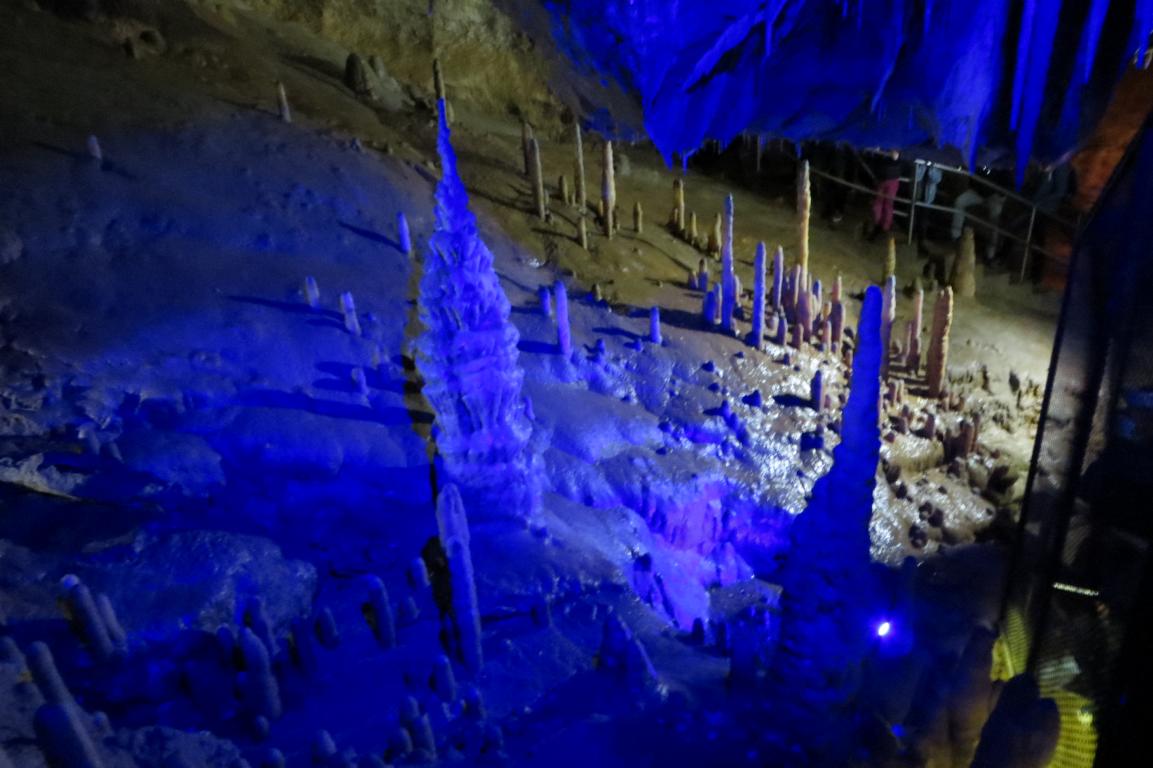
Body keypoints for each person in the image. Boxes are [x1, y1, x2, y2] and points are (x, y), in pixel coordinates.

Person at [869, 149, 902, 239]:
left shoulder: (895, 145)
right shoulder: (895, 144)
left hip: (889, 178)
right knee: (880, 204)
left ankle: (882, 227)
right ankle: (879, 226)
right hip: (886, 177)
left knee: (885, 204)